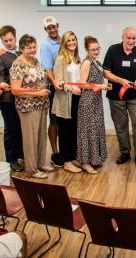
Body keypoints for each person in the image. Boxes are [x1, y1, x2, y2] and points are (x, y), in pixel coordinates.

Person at [103, 26, 136, 167]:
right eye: (128, 38)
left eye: (134, 38)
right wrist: (121, 81)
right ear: (122, 37)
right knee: (121, 126)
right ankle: (125, 153)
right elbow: (106, 73)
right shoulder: (112, 50)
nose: (131, 41)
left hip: (135, 97)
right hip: (116, 97)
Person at [11, 34, 52, 179]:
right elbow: (15, 90)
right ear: (21, 49)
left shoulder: (35, 61)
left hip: (42, 104)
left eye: (34, 47)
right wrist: (37, 92)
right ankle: (32, 169)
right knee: (31, 138)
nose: (32, 50)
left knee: (41, 136)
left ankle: (41, 163)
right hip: (28, 107)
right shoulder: (17, 65)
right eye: (29, 48)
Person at [76, 36, 111, 174]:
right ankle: (85, 162)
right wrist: (101, 85)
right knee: (87, 130)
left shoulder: (96, 62)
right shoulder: (87, 63)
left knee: (95, 129)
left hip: (96, 100)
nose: (96, 51)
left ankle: (95, 159)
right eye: (93, 49)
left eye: (98, 48)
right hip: (88, 100)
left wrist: (104, 86)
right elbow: (82, 84)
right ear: (86, 50)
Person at [0, 25, 24, 172]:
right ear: (2, 40)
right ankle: (11, 160)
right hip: (7, 100)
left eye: (11, 39)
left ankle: (22, 155)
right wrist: (2, 82)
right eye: (5, 40)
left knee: (21, 128)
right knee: (11, 129)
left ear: (15, 37)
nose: (9, 43)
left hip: (23, 98)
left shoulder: (20, 53)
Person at [51, 31, 82, 173]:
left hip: (76, 99)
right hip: (65, 100)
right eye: (68, 41)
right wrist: (71, 88)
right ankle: (66, 161)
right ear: (64, 43)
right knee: (64, 131)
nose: (71, 43)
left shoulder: (76, 57)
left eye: (73, 40)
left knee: (73, 129)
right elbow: (58, 81)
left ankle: (73, 156)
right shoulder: (60, 58)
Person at [39, 16, 62, 167]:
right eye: (49, 28)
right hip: (55, 87)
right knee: (54, 121)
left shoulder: (65, 40)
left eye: (54, 26)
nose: (52, 30)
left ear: (57, 26)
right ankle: (55, 153)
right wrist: (54, 83)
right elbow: (47, 68)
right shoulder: (46, 45)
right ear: (45, 30)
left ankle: (66, 150)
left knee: (65, 121)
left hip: (67, 86)